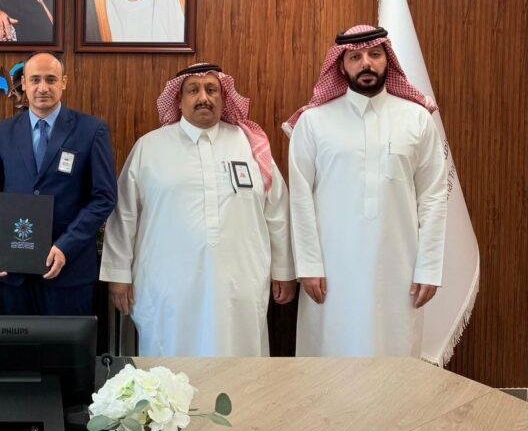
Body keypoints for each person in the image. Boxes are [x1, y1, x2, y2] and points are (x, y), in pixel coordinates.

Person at [101, 63, 295, 356]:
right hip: (167, 283)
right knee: (170, 362)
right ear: (178, 101)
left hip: (240, 281)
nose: (204, 97)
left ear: (224, 98)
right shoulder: (150, 147)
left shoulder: (250, 144)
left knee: (240, 359)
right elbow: (124, 214)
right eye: (193, 90)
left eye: (212, 90)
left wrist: (283, 270)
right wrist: (118, 274)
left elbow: (277, 211)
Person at [285, 25, 447, 357]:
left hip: (399, 267)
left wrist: (429, 268)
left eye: (374, 54)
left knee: (395, 359)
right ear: (341, 65)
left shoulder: (417, 119)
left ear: (388, 60)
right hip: (331, 270)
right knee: (331, 356)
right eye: (355, 57)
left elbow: (433, 196)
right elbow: (300, 199)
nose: (366, 63)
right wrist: (309, 266)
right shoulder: (313, 122)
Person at [0, 52, 117, 315]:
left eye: (51, 79)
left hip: (69, 272)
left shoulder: (91, 130)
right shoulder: (3, 132)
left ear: (64, 82)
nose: (42, 87)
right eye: (35, 80)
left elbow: (104, 197)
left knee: (66, 343)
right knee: (18, 343)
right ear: (23, 84)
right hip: (14, 273)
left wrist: (66, 246)